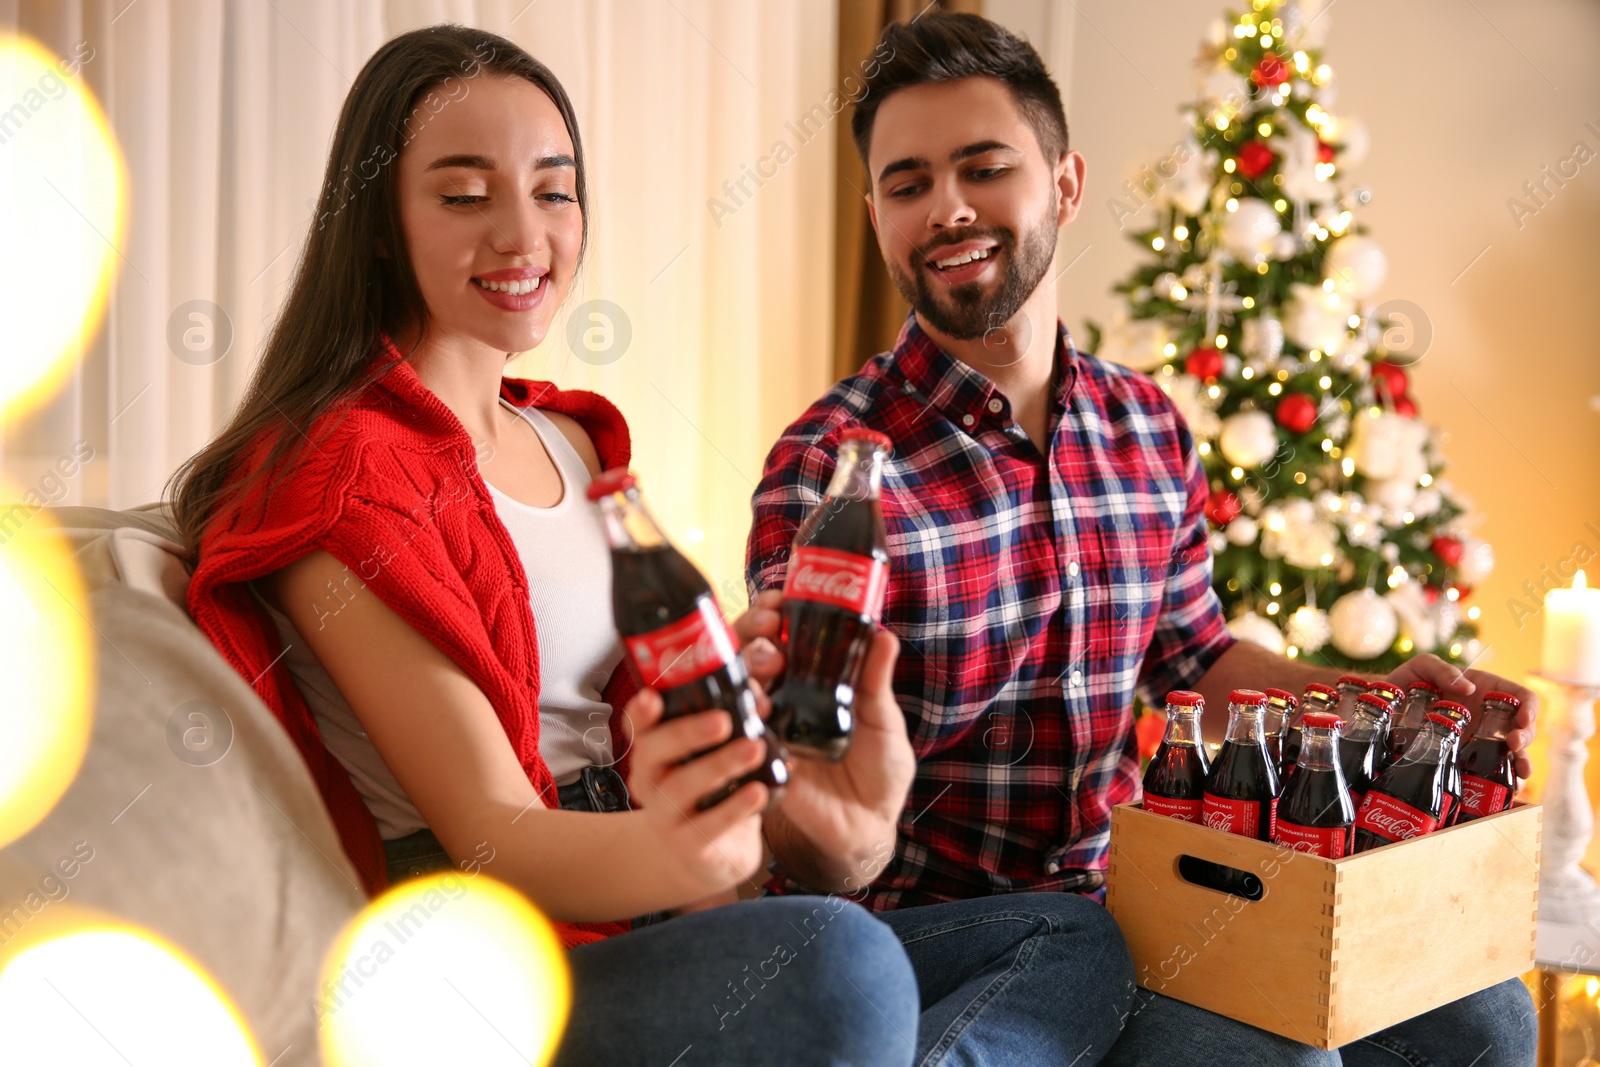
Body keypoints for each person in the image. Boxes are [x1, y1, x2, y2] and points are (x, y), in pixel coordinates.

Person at [173, 24, 1131, 1065]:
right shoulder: (339, 472)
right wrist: (697, 853)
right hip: (493, 960)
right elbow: (494, 833)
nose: (522, 234)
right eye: (463, 195)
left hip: (658, 902)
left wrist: (762, 730)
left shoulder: (573, 437)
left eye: (553, 189)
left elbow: (670, 734)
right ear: (375, 222)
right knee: (839, 962)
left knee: (1069, 933)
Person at [745, 12, 1539, 1066]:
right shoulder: (833, 469)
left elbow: (1195, 659)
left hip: (1131, 900)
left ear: (1065, 184)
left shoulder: (1144, 425)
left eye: (983, 167)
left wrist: (1368, 696)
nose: (945, 208)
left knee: (1491, 1020)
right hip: (937, 934)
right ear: (877, 211)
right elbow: (803, 783)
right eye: (906, 183)